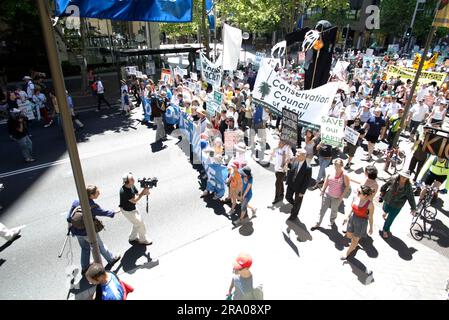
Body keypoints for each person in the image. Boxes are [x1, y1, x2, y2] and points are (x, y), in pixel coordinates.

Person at [67, 185, 121, 274]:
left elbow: (69, 217)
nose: (99, 192)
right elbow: (104, 212)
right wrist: (114, 212)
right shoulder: (92, 206)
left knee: (84, 248)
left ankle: (84, 268)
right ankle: (111, 259)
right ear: (91, 195)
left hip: (76, 231)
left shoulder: (76, 201)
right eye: (97, 192)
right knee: (100, 245)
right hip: (88, 232)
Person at [312, 159, 350, 230]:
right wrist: (322, 191)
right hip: (327, 194)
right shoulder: (330, 172)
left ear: (342, 166)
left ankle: (332, 221)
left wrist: (342, 196)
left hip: (337, 197)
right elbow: (326, 182)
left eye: (338, 166)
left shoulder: (344, 175)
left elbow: (347, 186)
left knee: (334, 210)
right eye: (335, 165)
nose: (337, 167)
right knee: (322, 209)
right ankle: (318, 223)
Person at [379, 170, 416, 239]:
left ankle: (385, 230)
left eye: (405, 177)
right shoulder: (393, 179)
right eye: (402, 176)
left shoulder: (408, 186)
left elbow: (411, 197)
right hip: (388, 200)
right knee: (385, 209)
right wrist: (382, 192)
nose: (403, 178)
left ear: (407, 178)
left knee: (390, 218)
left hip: (397, 205)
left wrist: (413, 208)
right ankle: (385, 213)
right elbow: (385, 185)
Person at [341, 185, 375, 260]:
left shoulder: (370, 205)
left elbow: (370, 217)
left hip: (361, 222)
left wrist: (371, 228)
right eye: (357, 191)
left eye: (359, 192)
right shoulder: (355, 197)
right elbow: (352, 209)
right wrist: (347, 217)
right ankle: (354, 245)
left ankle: (347, 253)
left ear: (365, 195)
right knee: (349, 235)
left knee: (355, 240)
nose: (357, 193)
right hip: (352, 218)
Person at [119, 173, 153, 245]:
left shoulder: (132, 186)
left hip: (132, 208)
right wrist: (143, 192)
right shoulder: (124, 191)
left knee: (137, 223)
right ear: (127, 182)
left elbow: (137, 194)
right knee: (140, 224)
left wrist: (145, 191)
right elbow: (135, 200)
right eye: (131, 179)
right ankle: (143, 240)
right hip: (128, 211)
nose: (134, 180)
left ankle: (132, 238)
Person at [285, 149, 312, 221]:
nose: (295, 155)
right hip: (291, 184)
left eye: (298, 155)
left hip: (299, 188)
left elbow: (307, 181)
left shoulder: (308, 168)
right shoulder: (295, 161)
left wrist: (302, 192)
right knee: (287, 197)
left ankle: (294, 215)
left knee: (298, 202)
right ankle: (295, 205)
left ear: (304, 156)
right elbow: (292, 168)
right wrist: (288, 164)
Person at [270, 140, 293, 204]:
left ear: (283, 143)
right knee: (280, 181)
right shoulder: (278, 148)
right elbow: (274, 155)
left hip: (282, 169)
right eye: (278, 142)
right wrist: (272, 154)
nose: (278, 143)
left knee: (277, 183)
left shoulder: (287, 149)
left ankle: (277, 197)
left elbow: (291, 158)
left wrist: (286, 162)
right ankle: (282, 193)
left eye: (280, 143)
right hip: (277, 168)